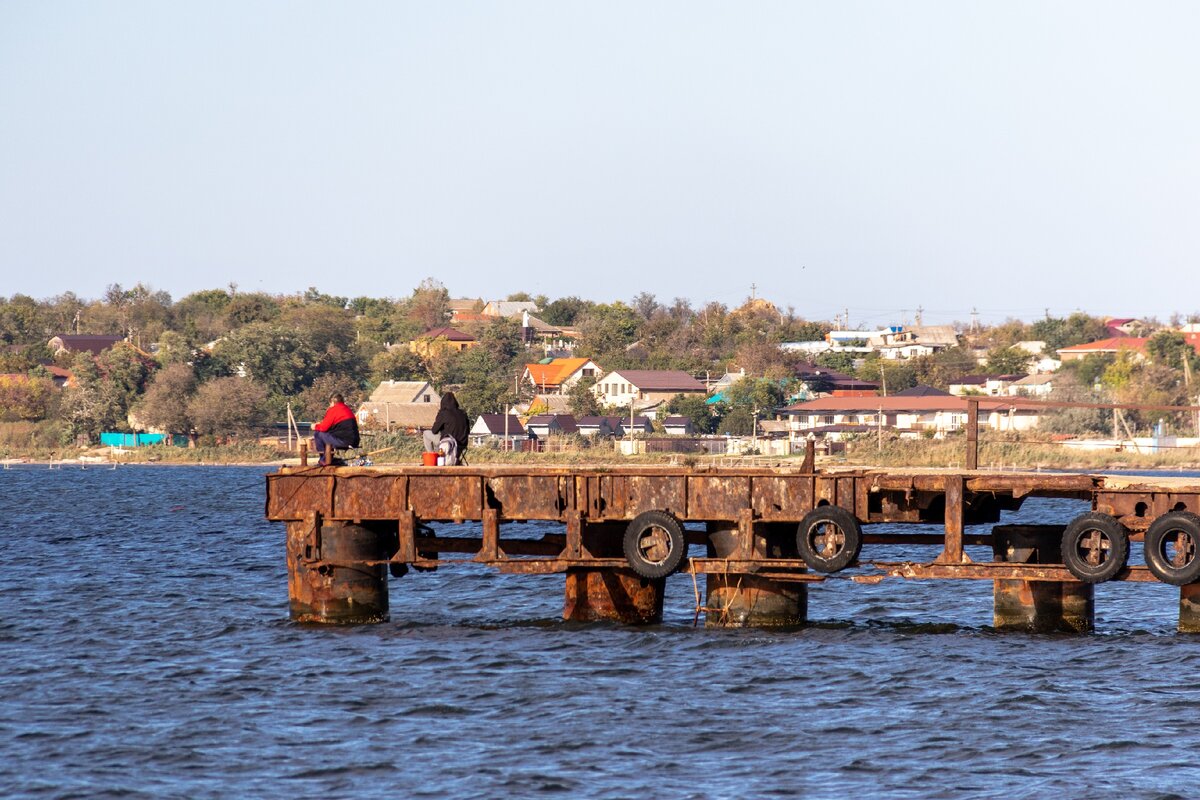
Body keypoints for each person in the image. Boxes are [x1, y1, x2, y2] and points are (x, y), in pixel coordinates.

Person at [312, 393, 360, 465]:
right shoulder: (346, 408)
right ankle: (327, 458)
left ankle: (324, 459)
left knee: (318, 433)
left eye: (330, 404)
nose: (329, 406)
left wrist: (314, 426)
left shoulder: (334, 409)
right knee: (323, 433)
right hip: (354, 441)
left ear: (332, 402)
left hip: (344, 441)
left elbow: (323, 428)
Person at [424, 392, 469, 465]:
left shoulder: (444, 413)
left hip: (448, 443)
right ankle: (454, 459)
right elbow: (468, 431)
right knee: (439, 441)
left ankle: (433, 458)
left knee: (426, 433)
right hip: (462, 444)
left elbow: (434, 430)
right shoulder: (463, 413)